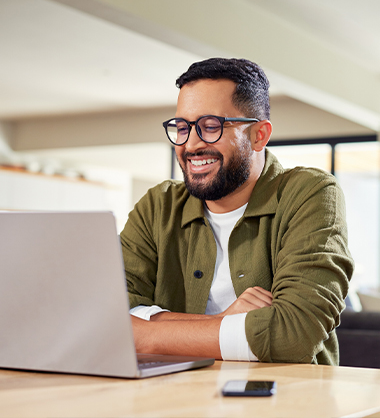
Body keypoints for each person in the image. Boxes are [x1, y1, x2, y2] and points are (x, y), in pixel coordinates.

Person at [120, 57, 354, 365]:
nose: (190, 144)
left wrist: (144, 334)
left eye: (210, 126)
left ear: (259, 135)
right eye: (181, 127)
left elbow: (295, 333)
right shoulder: (157, 206)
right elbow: (106, 313)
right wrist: (227, 323)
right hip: (172, 398)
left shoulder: (310, 194)